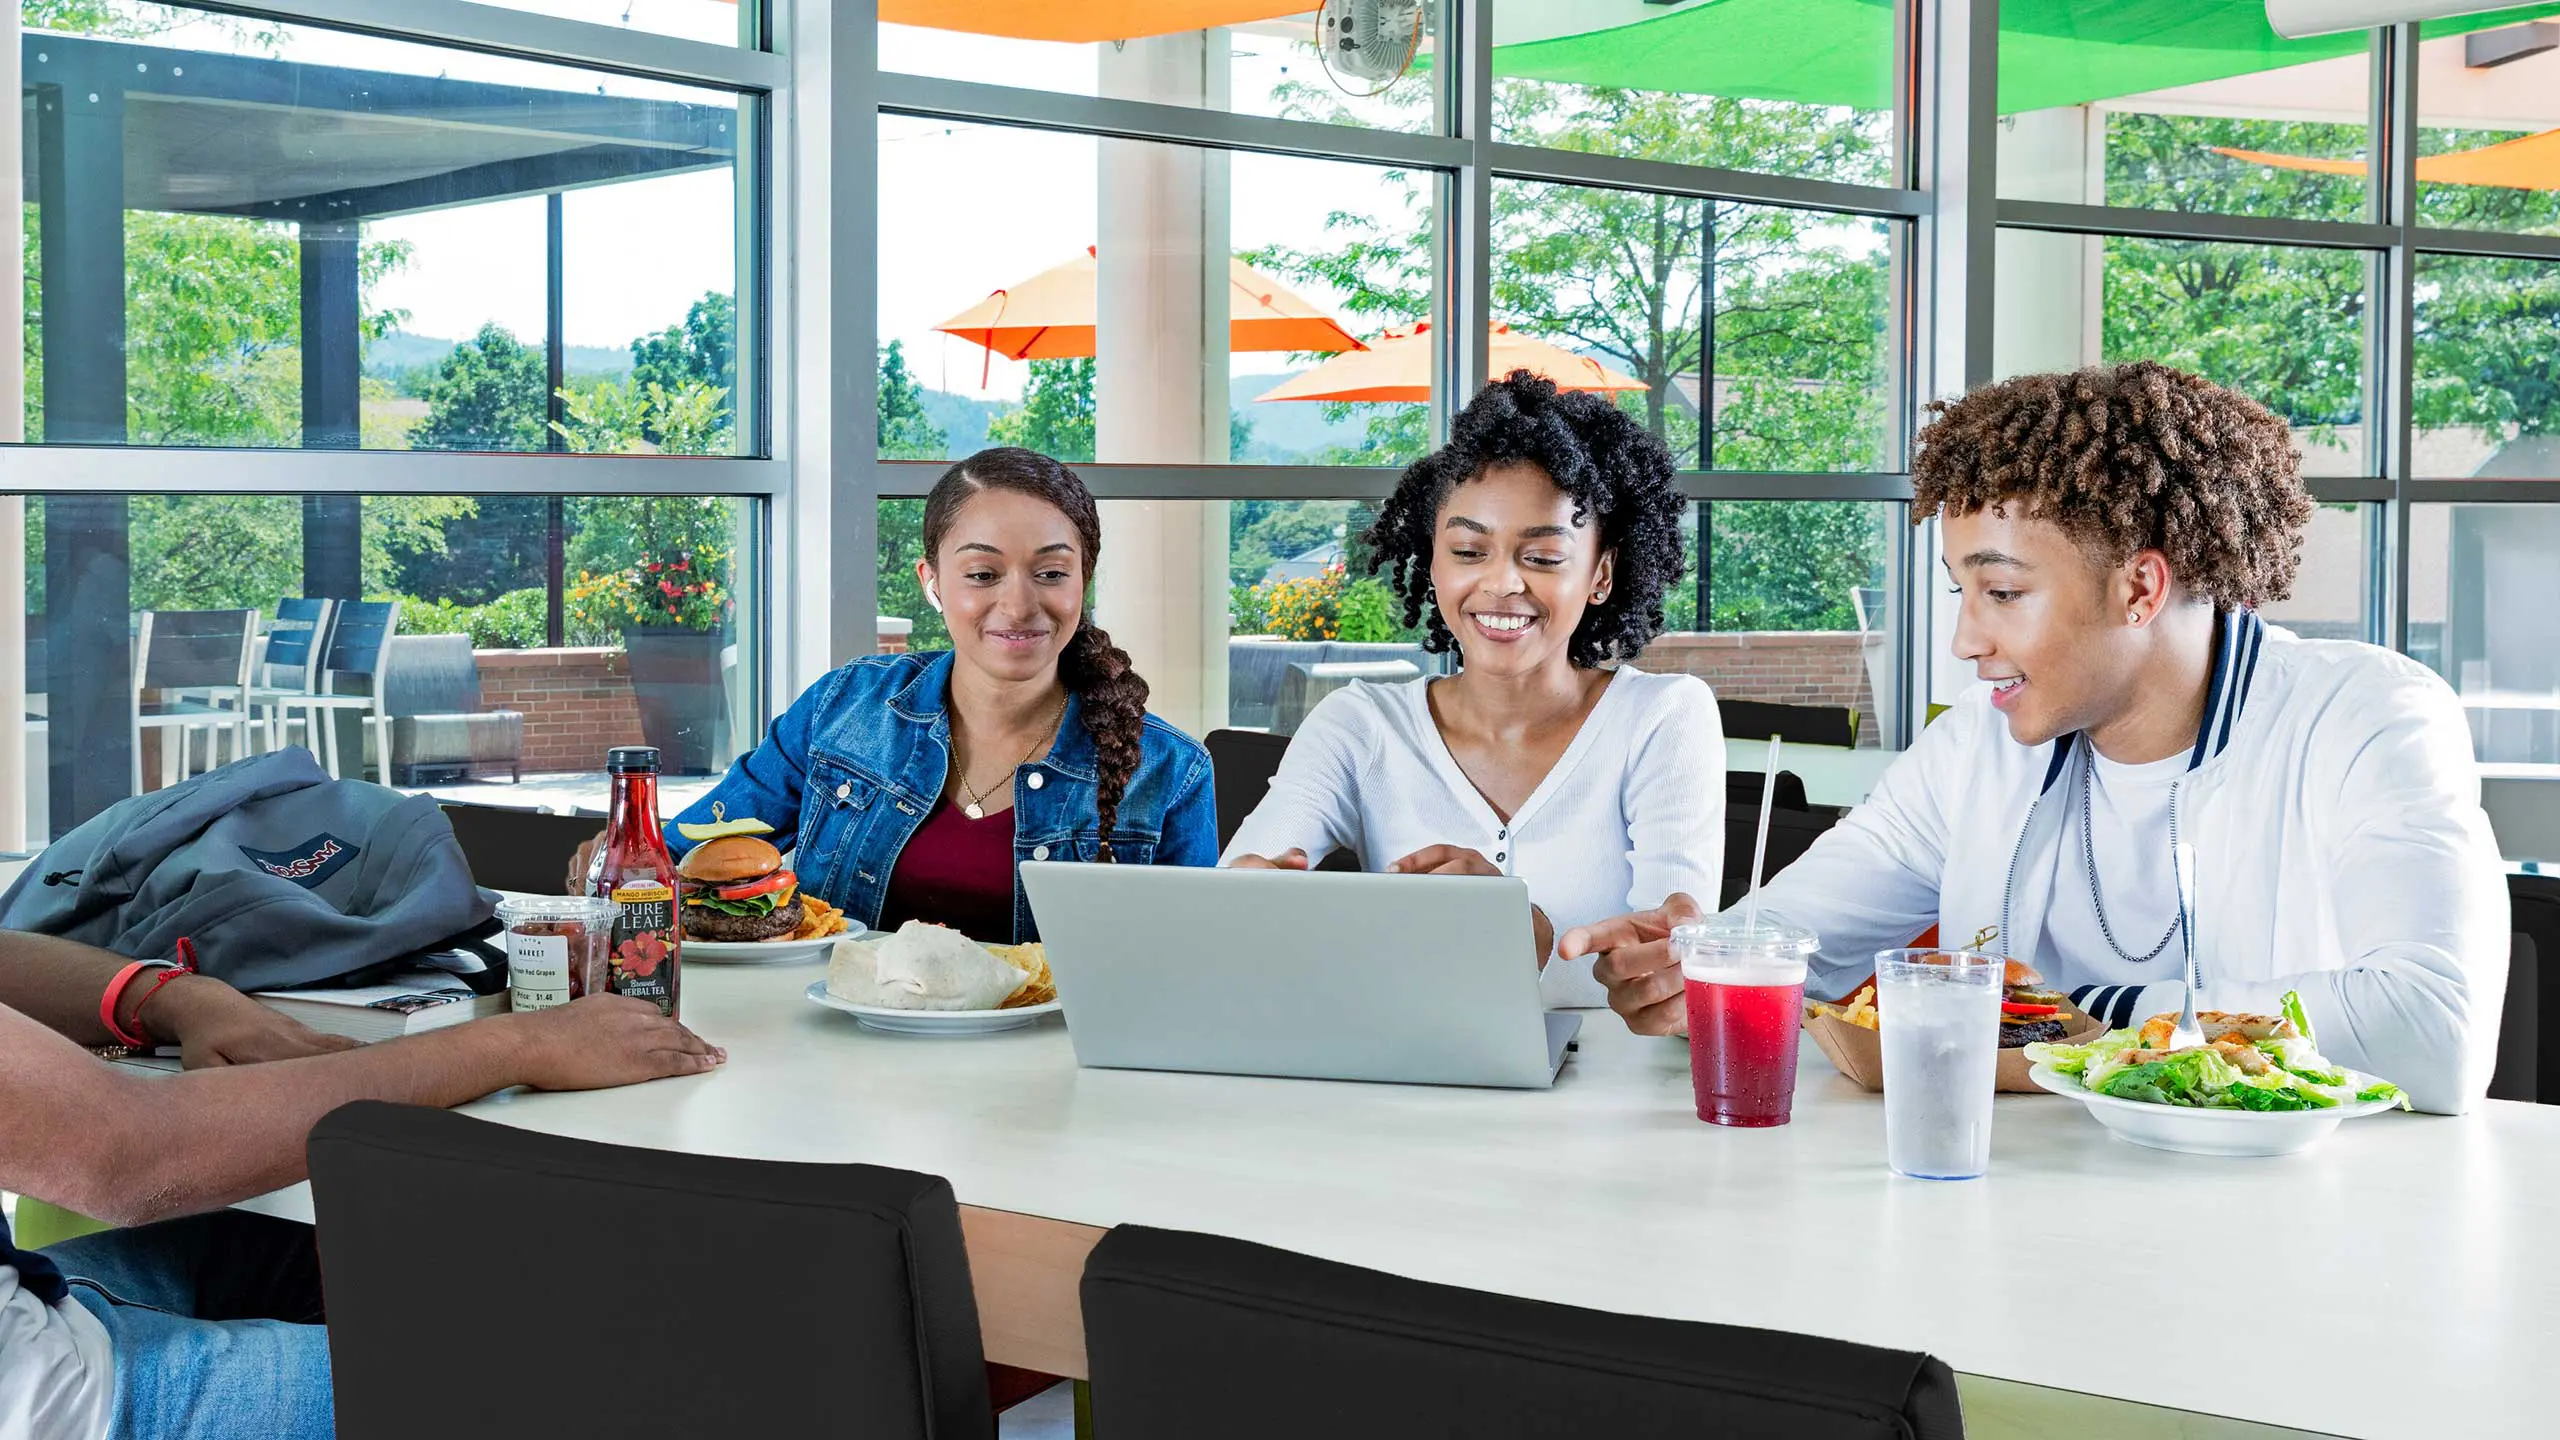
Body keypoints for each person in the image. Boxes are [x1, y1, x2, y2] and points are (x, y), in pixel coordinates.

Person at [1563, 361, 2509, 1114]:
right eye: (1962, 593)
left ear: (2139, 588)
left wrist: (2074, 1024)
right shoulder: (1977, 749)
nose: (1966, 640)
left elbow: (2431, 1027)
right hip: (2020, 1212)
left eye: (2004, 593)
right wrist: (1700, 964)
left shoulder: (2367, 719)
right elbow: (1800, 943)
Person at [0, 926, 724, 1440]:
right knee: (585, 1385)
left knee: (392, 1248)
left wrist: (174, 998)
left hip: (29, 1308)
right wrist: (520, 1045)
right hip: (54, 1403)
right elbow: (132, 1156)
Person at [1224, 372, 1725, 1007]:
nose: (1501, 584)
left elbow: (1664, 975)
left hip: (1607, 1093)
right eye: (1467, 550)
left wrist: (1529, 939)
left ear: (1600, 573)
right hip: (1411, 1085)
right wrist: (1259, 896)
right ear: (1432, 560)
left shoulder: (1662, 718)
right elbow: (1240, 885)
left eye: (1542, 557)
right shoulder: (1359, 724)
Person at [575, 447, 1217, 943]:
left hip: (1048, 1087)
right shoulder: (845, 709)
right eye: (982, 573)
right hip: (835, 1065)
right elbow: (688, 851)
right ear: (933, 583)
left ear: (1083, 581)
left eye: (1051, 573)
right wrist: (618, 860)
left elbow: (1191, 968)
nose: (1019, 604)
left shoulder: (1170, 771)